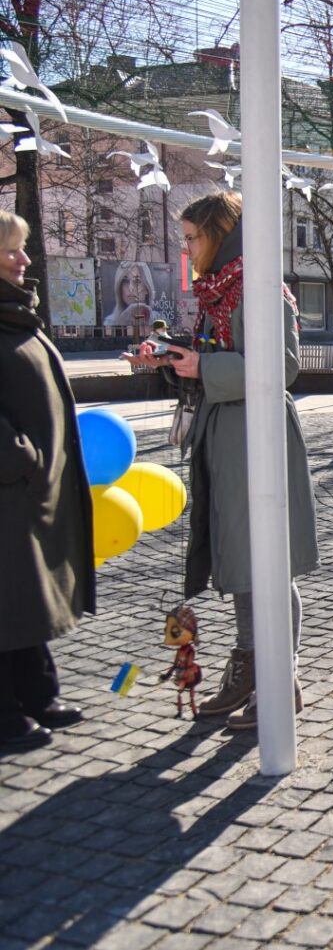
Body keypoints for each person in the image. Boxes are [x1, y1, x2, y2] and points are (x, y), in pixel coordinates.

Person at [124, 192, 319, 729]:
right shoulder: (220, 289)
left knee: (269, 565)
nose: (187, 250)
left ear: (220, 233)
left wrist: (200, 367)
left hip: (256, 437)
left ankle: (279, 681)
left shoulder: (259, 288)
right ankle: (254, 670)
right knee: (239, 561)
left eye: (192, 238)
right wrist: (175, 358)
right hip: (227, 435)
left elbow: (280, 366)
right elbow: (221, 354)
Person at [0, 210, 94, 752]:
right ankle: (4, 712)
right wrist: (21, 458)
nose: (25, 260)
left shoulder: (16, 313)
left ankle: (36, 693)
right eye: (11, 250)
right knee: (8, 596)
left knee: (25, 595)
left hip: (28, 488)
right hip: (10, 485)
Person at [102, 261, 157, 330]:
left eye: (137, 281)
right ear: (119, 287)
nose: (131, 288)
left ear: (147, 288)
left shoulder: (159, 319)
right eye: (126, 281)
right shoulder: (109, 321)